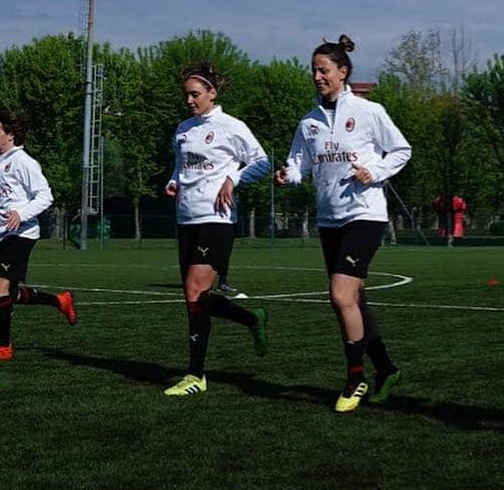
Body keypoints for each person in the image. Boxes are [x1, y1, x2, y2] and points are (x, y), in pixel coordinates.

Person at [276, 35, 411, 413]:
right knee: (353, 300)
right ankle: (386, 368)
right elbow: (300, 163)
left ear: (343, 72)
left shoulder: (369, 111)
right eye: (313, 71)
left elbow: (401, 149)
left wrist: (376, 171)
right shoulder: (308, 122)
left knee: (340, 295)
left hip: (364, 215)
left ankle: (356, 379)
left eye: (324, 70)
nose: (317, 76)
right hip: (329, 218)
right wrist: (289, 174)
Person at [163, 63, 271, 397]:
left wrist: (232, 178)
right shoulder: (183, 129)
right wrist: (173, 182)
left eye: (195, 94)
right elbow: (181, 168)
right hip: (187, 218)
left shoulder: (230, 126)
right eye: (186, 95)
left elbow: (262, 162)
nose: (190, 101)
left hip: (217, 219)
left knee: (196, 289)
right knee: (195, 297)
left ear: (212, 93)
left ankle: (196, 375)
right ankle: (250, 318)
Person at [0, 111, 76, 362]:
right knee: (8, 291)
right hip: (2, 233)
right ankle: (60, 301)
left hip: (23, 233)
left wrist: (21, 213)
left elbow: (45, 196)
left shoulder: (24, 162)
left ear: (11, 135)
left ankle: (4, 346)